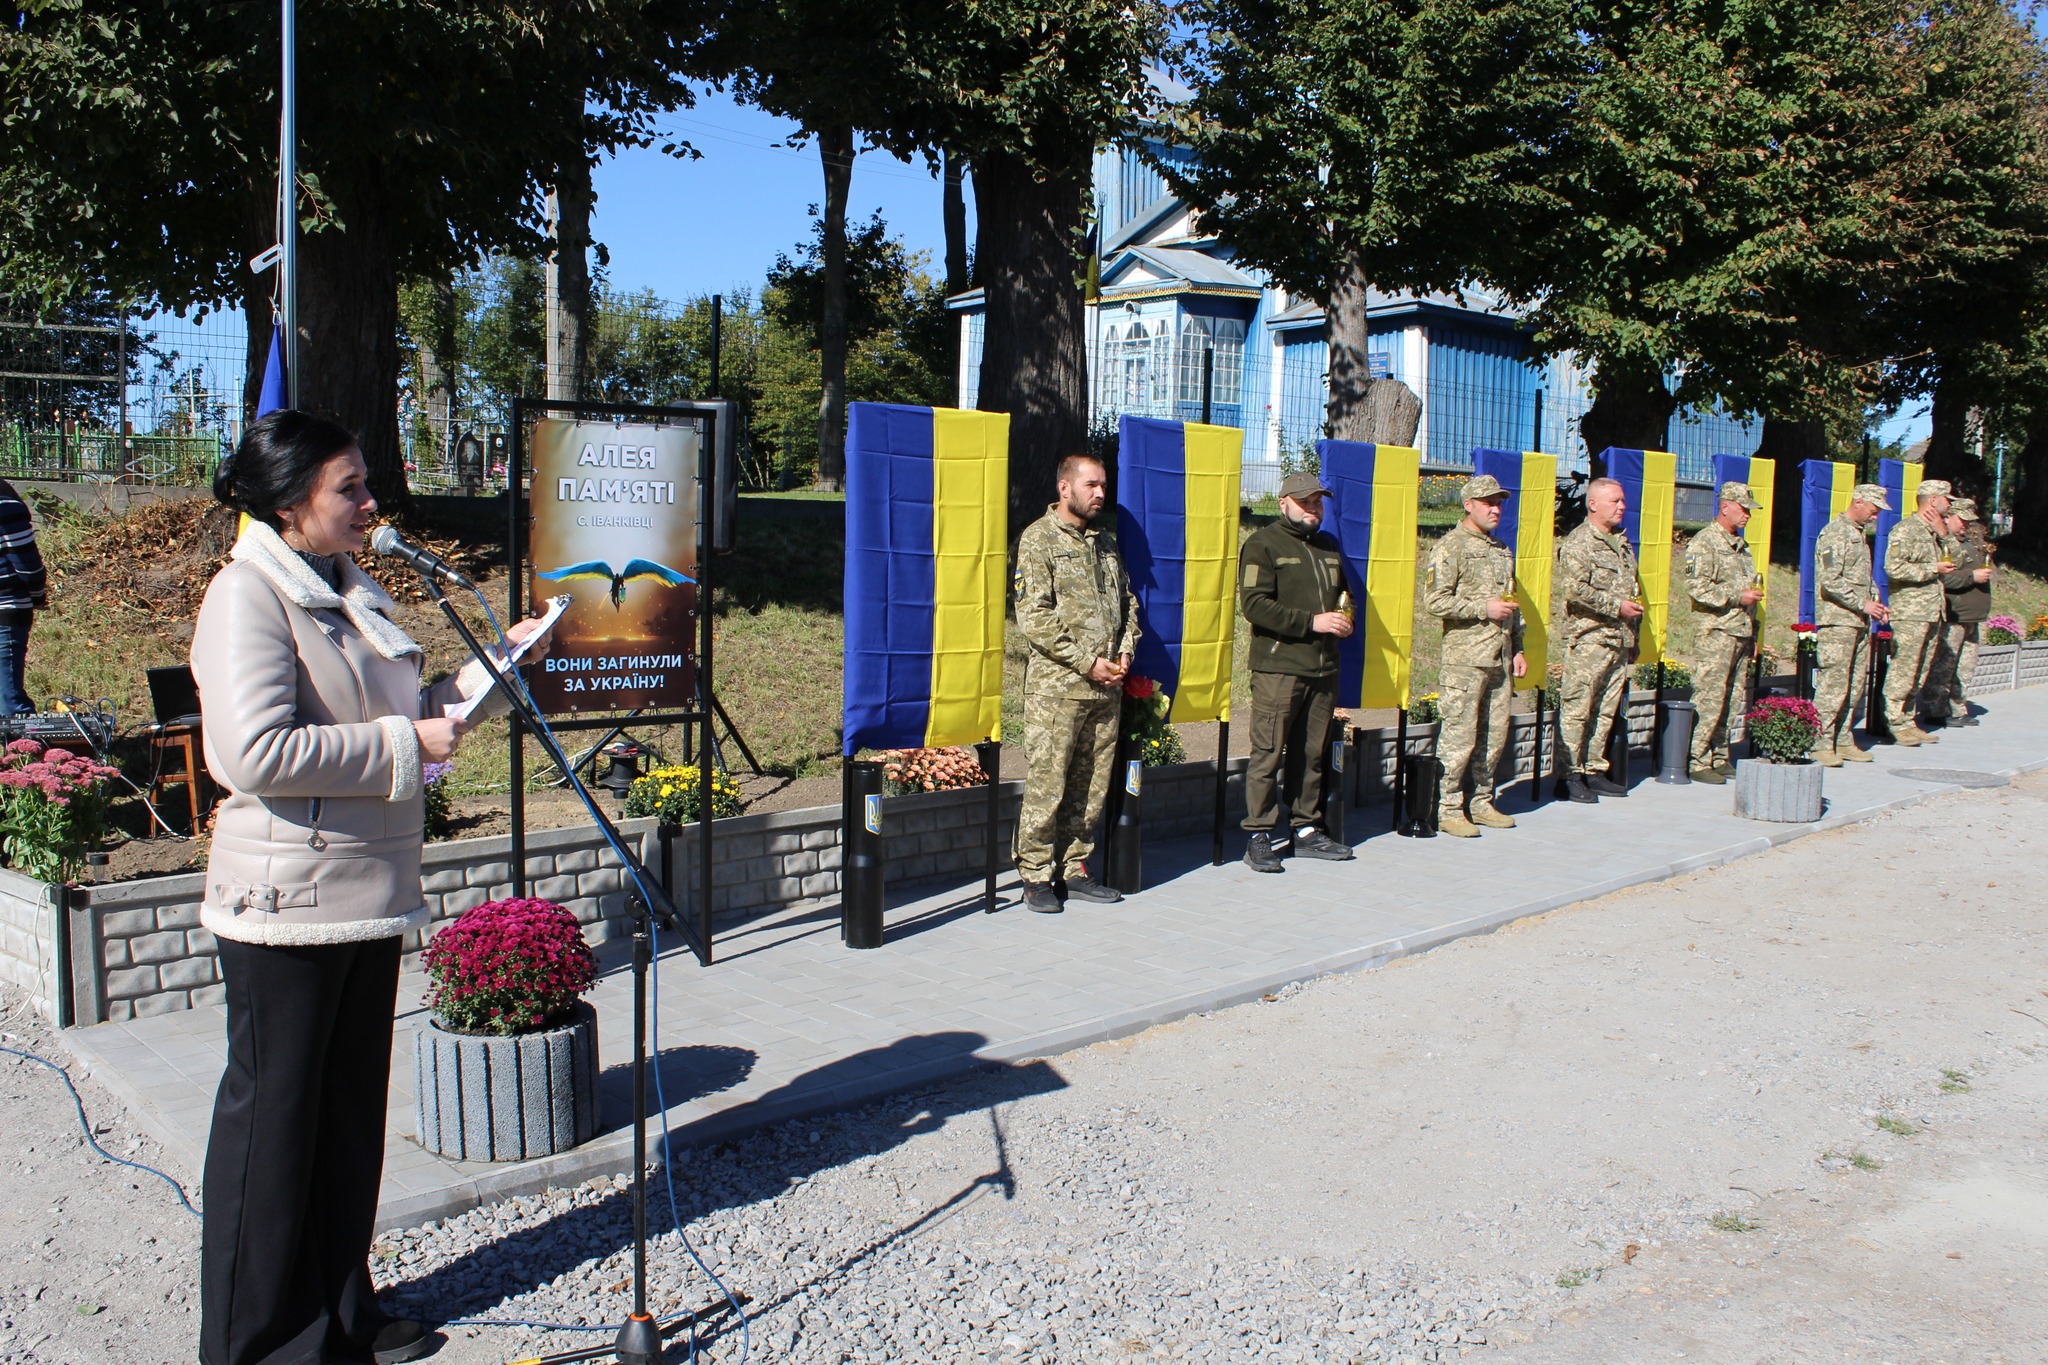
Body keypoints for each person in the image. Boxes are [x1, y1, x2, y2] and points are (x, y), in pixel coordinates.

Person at [193, 410, 555, 1365]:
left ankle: (340, 1309)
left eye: (365, 485)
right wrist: (407, 745)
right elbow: (253, 750)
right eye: (348, 488)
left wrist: (488, 673)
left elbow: (396, 712)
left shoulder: (350, 587)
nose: (369, 503)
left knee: (347, 1114)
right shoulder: (248, 596)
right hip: (283, 906)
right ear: (287, 502)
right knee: (276, 1126)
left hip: (362, 890)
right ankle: (258, 1340)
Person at [1012, 453, 1141, 913]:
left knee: (1091, 785)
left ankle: (1075, 867)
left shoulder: (1104, 543)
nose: (1100, 493)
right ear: (1065, 488)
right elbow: (1034, 616)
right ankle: (1035, 874)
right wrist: (1087, 662)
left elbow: (1127, 602)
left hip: (1105, 689)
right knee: (1049, 782)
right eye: (1091, 485)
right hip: (1057, 689)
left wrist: (1124, 650)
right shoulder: (1038, 539)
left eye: (1103, 485)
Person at [1236, 469, 1356, 872]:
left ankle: (1306, 828)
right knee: (1268, 753)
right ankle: (1259, 834)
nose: (1313, 509)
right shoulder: (1263, 544)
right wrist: (1313, 622)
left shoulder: (1328, 547)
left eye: (1318, 502)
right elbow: (1254, 605)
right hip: (1278, 668)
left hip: (1323, 669)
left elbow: (1344, 598)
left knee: (1312, 753)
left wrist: (1344, 618)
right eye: (1305, 502)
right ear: (1283, 502)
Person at [1424, 474, 1526, 837]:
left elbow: (1513, 604)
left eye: (1499, 503)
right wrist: (1484, 608)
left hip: (1500, 656)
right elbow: (1435, 601)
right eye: (1488, 503)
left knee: (1494, 735)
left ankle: (1482, 801)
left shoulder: (1501, 549)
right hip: (1466, 659)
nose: (1496, 509)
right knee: (1460, 735)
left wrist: (1519, 647)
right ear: (1469, 505)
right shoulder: (1450, 547)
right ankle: (1448, 807)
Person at [1554, 476, 1643, 802]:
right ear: (1593, 504)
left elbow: (1632, 591)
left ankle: (1593, 769)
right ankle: (1568, 775)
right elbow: (1575, 590)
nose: (1622, 506)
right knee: (1579, 708)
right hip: (1590, 638)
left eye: (1622, 501)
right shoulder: (1580, 543)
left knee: (1605, 710)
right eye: (1614, 501)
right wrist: (1616, 607)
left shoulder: (1621, 544)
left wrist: (1634, 638)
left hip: (1618, 640)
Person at [1684, 482, 1763, 784]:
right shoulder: (1704, 543)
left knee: (1732, 699)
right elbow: (1696, 586)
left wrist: (1753, 634)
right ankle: (1698, 759)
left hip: (1740, 633)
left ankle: (1719, 755)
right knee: (1710, 697)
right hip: (1716, 633)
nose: (1747, 516)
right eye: (1743, 509)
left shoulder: (1741, 546)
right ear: (1725, 505)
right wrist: (1736, 596)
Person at [1812, 483, 1891, 767]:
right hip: (1838, 622)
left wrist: (1876, 601)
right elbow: (1830, 580)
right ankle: (1820, 741)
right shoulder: (1834, 533)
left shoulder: (1858, 534)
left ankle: (1843, 739)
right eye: (1874, 508)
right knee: (1834, 685)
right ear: (1858, 502)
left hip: (1857, 623)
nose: (1876, 515)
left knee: (1855, 685)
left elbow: (1861, 577)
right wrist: (1863, 604)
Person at [1881, 478, 1954, 746]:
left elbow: (1957, 560)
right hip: (1911, 612)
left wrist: (1943, 533)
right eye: (1947, 499)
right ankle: (1895, 721)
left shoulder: (1936, 531)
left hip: (1933, 611)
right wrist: (1932, 568)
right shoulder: (1906, 530)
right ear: (1932, 500)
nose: (1950, 505)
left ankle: (1909, 719)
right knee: (1905, 668)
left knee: (1920, 670)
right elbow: (1894, 568)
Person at [1923, 495, 1992, 727]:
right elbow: (1946, 578)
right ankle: (1935, 709)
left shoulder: (1969, 545)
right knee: (1945, 666)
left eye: (1968, 522)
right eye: (1961, 520)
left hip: (1972, 617)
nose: (1965, 525)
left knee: (1965, 667)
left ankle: (1957, 708)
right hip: (1955, 616)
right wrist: (1973, 576)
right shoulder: (1946, 545)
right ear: (1949, 517)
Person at [0, 474, 48, 716]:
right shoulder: (4, 503)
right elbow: (27, 564)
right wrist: (38, 595)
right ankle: (22, 752)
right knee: (10, 702)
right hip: (6, 608)